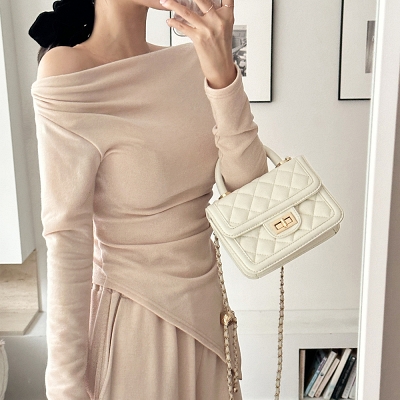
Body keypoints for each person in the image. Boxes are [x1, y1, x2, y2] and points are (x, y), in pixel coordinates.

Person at [29, 0, 267, 399]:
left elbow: (251, 194)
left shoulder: (192, 63)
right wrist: (65, 387)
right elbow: (67, 239)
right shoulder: (67, 69)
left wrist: (223, 75)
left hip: (211, 326)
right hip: (136, 336)